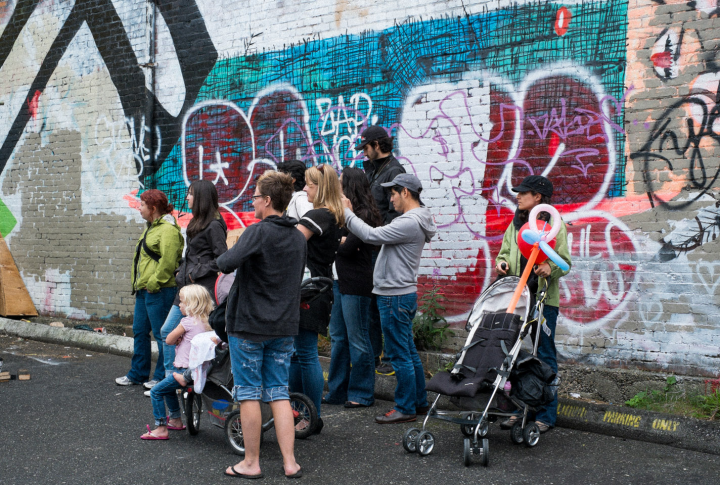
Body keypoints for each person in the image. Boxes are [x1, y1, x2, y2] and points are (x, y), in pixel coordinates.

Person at [216, 170, 306, 479]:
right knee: (279, 392)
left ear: (267, 200)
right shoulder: (297, 236)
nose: (252, 201)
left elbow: (225, 263)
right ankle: (290, 462)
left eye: (255, 196)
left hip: (250, 325)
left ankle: (251, 463)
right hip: (283, 326)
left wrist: (236, 242)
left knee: (249, 394)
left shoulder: (258, 231)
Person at [342, 173, 437, 424]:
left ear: (406, 192)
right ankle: (418, 402)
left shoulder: (409, 222)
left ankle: (405, 407)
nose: (390, 198)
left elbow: (372, 235)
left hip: (394, 297)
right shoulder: (414, 220)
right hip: (400, 295)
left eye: (393, 193)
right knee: (408, 352)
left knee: (399, 355)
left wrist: (347, 214)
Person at [495, 175, 571, 434]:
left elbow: (565, 262)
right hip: (517, 299)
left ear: (537, 198)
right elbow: (504, 252)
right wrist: (501, 264)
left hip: (543, 301)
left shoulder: (555, 226)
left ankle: (547, 415)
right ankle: (518, 409)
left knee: (545, 356)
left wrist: (550, 267)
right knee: (513, 354)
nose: (517, 196)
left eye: (523, 192)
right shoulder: (515, 225)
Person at [147, 180, 227, 394]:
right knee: (167, 332)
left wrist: (194, 272)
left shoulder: (214, 225)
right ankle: (173, 381)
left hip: (200, 292)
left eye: (190, 194)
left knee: (171, 332)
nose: (187, 198)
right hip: (185, 290)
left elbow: (222, 259)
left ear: (200, 197)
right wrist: (182, 270)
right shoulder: (196, 223)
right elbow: (193, 256)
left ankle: (172, 383)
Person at [289, 164, 344, 432]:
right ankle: (299, 413)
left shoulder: (319, 215)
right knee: (298, 354)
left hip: (311, 290)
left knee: (306, 354)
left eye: (309, 185)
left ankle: (311, 416)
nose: (304, 188)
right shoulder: (329, 214)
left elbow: (291, 242)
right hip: (314, 289)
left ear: (320, 187)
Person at [324, 167, 382, 408]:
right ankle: (337, 391)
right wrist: (341, 240)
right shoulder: (343, 214)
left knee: (358, 339)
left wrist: (340, 242)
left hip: (356, 284)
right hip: (339, 282)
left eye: (340, 182)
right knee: (338, 338)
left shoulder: (363, 214)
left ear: (351, 186)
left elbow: (346, 248)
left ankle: (361, 393)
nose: (337, 186)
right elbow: (334, 244)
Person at [116, 190, 183, 387]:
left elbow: (168, 262)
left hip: (159, 290)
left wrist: (153, 283)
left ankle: (161, 377)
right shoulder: (151, 228)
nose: (139, 208)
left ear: (153, 208)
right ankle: (137, 374)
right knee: (139, 331)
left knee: (163, 334)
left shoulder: (168, 230)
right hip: (144, 291)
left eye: (143, 204)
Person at [357, 125, 406, 376]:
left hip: (382, 244)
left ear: (377, 144)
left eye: (366, 147)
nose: (364, 153)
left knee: (383, 303)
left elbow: (397, 210)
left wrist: (382, 235)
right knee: (373, 303)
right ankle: (377, 356)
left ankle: (389, 357)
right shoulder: (374, 170)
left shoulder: (394, 170)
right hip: (372, 243)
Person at [140, 285, 214, 440]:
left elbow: (168, 339)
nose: (179, 305)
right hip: (199, 370)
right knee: (167, 388)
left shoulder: (187, 322)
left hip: (183, 371)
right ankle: (175, 420)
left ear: (192, 304)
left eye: (182, 302)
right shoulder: (207, 322)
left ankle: (161, 428)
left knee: (156, 392)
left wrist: (177, 338)